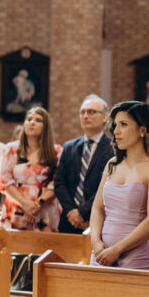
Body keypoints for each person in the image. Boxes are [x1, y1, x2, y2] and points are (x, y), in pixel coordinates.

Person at [90, 102, 149, 270]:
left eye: (123, 124)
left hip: (136, 258)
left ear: (142, 130)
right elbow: (97, 208)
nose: (116, 131)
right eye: (115, 125)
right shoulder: (112, 164)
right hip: (101, 255)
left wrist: (117, 249)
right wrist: (96, 242)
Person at [55, 94, 114, 234]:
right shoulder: (69, 147)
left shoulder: (114, 149)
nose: (86, 116)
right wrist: (72, 212)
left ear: (105, 117)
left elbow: (108, 187)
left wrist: (83, 213)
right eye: (83, 112)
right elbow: (59, 183)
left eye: (91, 112)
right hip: (68, 221)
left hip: (99, 221)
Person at [0, 107, 62, 231]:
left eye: (38, 120)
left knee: (45, 243)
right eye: (29, 119)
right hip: (16, 209)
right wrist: (24, 204)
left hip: (45, 211)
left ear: (46, 126)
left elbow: (57, 183)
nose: (32, 122)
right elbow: (3, 181)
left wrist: (37, 204)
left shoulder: (56, 151)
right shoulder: (11, 149)